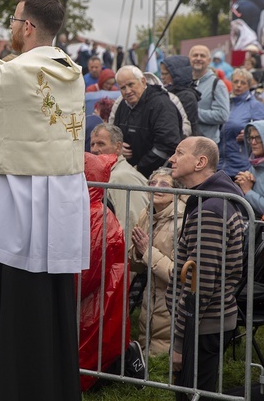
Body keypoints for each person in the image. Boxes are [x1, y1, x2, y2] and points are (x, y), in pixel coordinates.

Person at [0, 0, 89, 400]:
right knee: (48, 307)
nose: (10, 28)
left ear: (27, 27)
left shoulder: (16, 74)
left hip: (14, 208)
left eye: (12, 21)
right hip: (57, 207)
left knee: (6, 304)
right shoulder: (72, 71)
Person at [166, 136, 245, 396]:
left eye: (179, 153)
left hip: (202, 325)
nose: (171, 159)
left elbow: (200, 285)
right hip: (205, 323)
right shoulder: (208, 200)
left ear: (200, 162)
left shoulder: (210, 210)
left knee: (193, 393)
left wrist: (180, 343)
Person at [78, 152, 144, 391]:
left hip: (96, 302)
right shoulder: (92, 212)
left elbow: (87, 276)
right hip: (100, 299)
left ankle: (118, 368)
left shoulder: (97, 216)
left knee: (95, 348)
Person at [128, 167, 185, 357]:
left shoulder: (182, 221)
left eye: (164, 184)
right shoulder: (147, 213)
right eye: (152, 183)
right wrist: (137, 251)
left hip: (172, 303)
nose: (156, 188)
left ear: (176, 193)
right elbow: (135, 264)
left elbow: (176, 274)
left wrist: (146, 251)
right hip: (150, 297)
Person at [112, 66, 183, 178]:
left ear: (143, 81)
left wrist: (140, 167)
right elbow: (114, 132)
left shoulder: (161, 104)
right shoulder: (122, 105)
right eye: (123, 88)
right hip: (130, 172)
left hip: (158, 176)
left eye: (131, 85)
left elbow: (167, 144)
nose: (128, 91)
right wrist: (118, 147)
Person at [89, 123, 149, 233]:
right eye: (92, 144)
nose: (94, 149)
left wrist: (126, 250)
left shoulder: (120, 177)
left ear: (118, 147)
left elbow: (130, 223)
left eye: (101, 144)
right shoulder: (110, 174)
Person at [219, 68, 264, 179]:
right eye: (236, 81)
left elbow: (261, 130)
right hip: (219, 164)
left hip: (240, 165)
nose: (238, 85)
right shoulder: (224, 102)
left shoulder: (255, 105)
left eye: (243, 83)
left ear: (249, 85)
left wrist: (247, 134)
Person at [189, 45, 229, 145]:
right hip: (186, 143)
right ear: (189, 59)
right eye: (195, 55)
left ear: (209, 60)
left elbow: (222, 115)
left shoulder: (217, 84)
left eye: (202, 56)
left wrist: (194, 113)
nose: (198, 58)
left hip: (207, 145)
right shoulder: (184, 82)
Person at [160, 55, 201, 137]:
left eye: (165, 74)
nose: (162, 77)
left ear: (177, 74)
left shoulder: (187, 97)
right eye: (161, 73)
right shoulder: (166, 92)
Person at [235, 121, 264, 217]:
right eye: (251, 138)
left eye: (258, 138)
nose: (253, 142)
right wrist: (242, 182)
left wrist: (248, 191)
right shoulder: (255, 165)